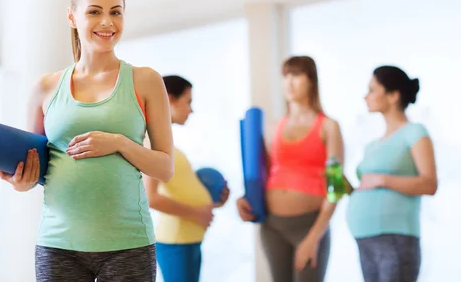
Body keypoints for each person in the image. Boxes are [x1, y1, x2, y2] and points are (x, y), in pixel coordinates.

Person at [0, 0, 174, 282]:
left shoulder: (146, 80)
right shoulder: (45, 87)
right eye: (94, 11)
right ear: (72, 17)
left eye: (115, 12)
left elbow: (165, 168)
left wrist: (120, 143)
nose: (107, 21)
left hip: (128, 245)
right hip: (58, 245)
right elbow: (36, 167)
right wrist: (21, 181)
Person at [236, 56, 344, 282]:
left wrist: (313, 238)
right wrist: (244, 199)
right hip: (272, 227)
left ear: (311, 81)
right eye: (285, 76)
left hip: (309, 226)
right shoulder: (274, 127)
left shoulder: (328, 126)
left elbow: (335, 187)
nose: (289, 82)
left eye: (296, 75)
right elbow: (261, 176)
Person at [346, 65, 438, 282]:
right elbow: (367, 188)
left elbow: (429, 184)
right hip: (365, 239)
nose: (365, 96)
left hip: (395, 240)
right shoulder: (372, 145)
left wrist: (382, 179)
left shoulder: (415, 132)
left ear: (393, 96)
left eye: (372, 89)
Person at [143, 75, 230, 282]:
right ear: (170, 100)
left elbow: (181, 190)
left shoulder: (168, 143)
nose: (191, 110)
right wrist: (196, 214)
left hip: (188, 239)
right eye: (188, 102)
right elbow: (150, 197)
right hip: (175, 242)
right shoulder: (152, 140)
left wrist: (212, 202)